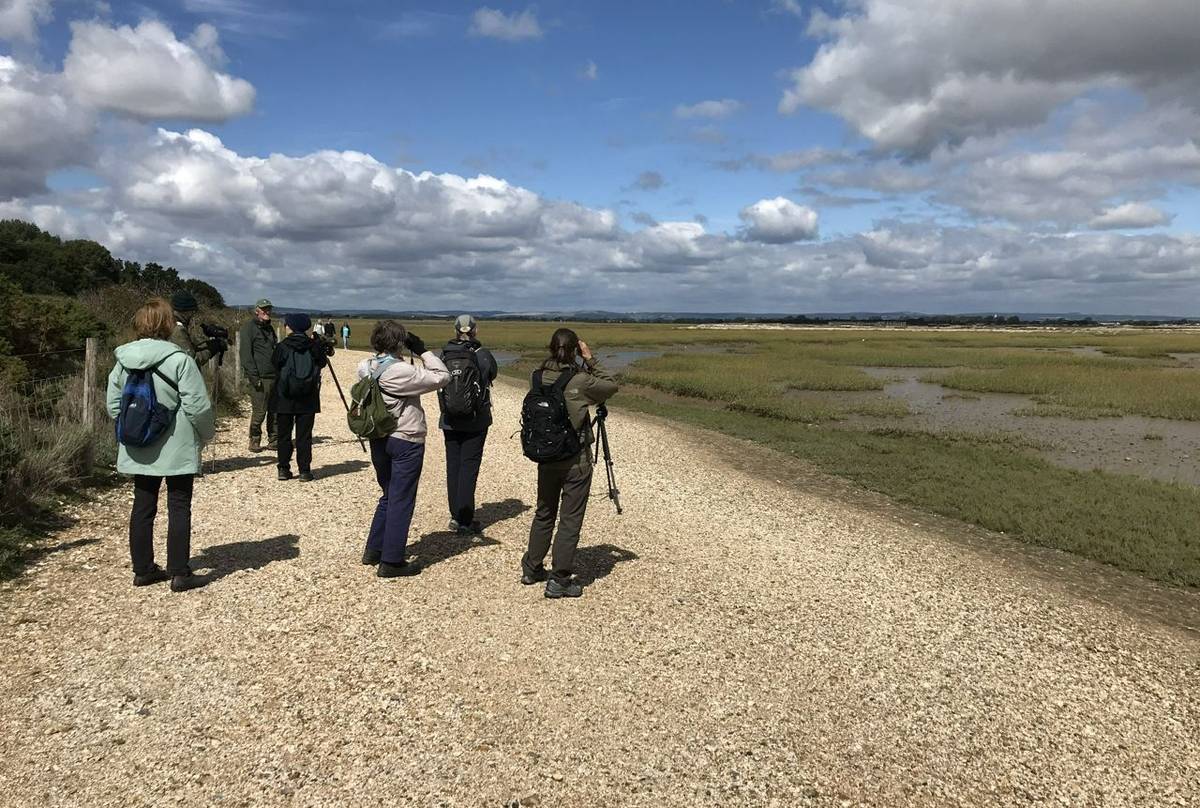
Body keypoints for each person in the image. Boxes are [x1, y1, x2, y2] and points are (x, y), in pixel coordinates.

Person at [106, 297, 215, 592]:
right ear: (167, 325)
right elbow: (198, 406)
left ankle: (143, 570)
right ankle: (180, 572)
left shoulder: (122, 360)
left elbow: (113, 405)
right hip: (176, 443)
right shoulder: (180, 359)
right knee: (179, 505)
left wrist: (133, 427)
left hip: (139, 443)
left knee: (143, 505)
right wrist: (206, 435)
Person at [521, 328, 618, 599]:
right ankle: (560, 579)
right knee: (570, 519)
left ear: (551, 348)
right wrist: (590, 359)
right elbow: (611, 385)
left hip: (545, 456)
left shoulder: (536, 377)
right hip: (575, 460)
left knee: (544, 512)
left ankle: (532, 567)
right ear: (575, 349)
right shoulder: (581, 381)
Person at [356, 320, 449, 578]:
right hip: (406, 438)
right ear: (399, 342)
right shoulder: (400, 372)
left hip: (379, 436)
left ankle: (374, 549)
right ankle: (392, 561)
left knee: (388, 494)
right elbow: (442, 377)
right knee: (401, 499)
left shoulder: (366, 366)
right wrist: (423, 351)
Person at [437, 314, 498, 534]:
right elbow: (492, 374)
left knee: (453, 467)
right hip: (476, 420)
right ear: (475, 330)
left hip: (449, 420)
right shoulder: (482, 354)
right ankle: (465, 519)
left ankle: (455, 515)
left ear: (455, 330)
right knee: (469, 467)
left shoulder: (444, 354)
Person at [270, 312, 332, 482]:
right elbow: (322, 363)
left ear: (290, 327)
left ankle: (283, 469)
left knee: (284, 435)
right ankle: (304, 471)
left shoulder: (282, 346)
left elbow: (274, 364)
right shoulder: (313, 346)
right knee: (304, 436)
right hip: (308, 397)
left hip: (284, 397)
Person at [238, 298, 278, 453]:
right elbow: (246, 356)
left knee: (274, 411)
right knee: (259, 411)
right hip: (260, 377)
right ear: (257, 311)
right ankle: (254, 440)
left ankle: (273, 440)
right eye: (264, 309)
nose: (267, 312)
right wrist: (254, 378)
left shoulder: (269, 328)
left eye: (269, 309)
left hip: (274, 376)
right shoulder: (248, 328)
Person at [169, 288, 217, 368]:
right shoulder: (177, 329)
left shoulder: (169, 324)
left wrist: (205, 345)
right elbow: (191, 361)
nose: (192, 315)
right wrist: (211, 350)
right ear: (184, 311)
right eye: (191, 311)